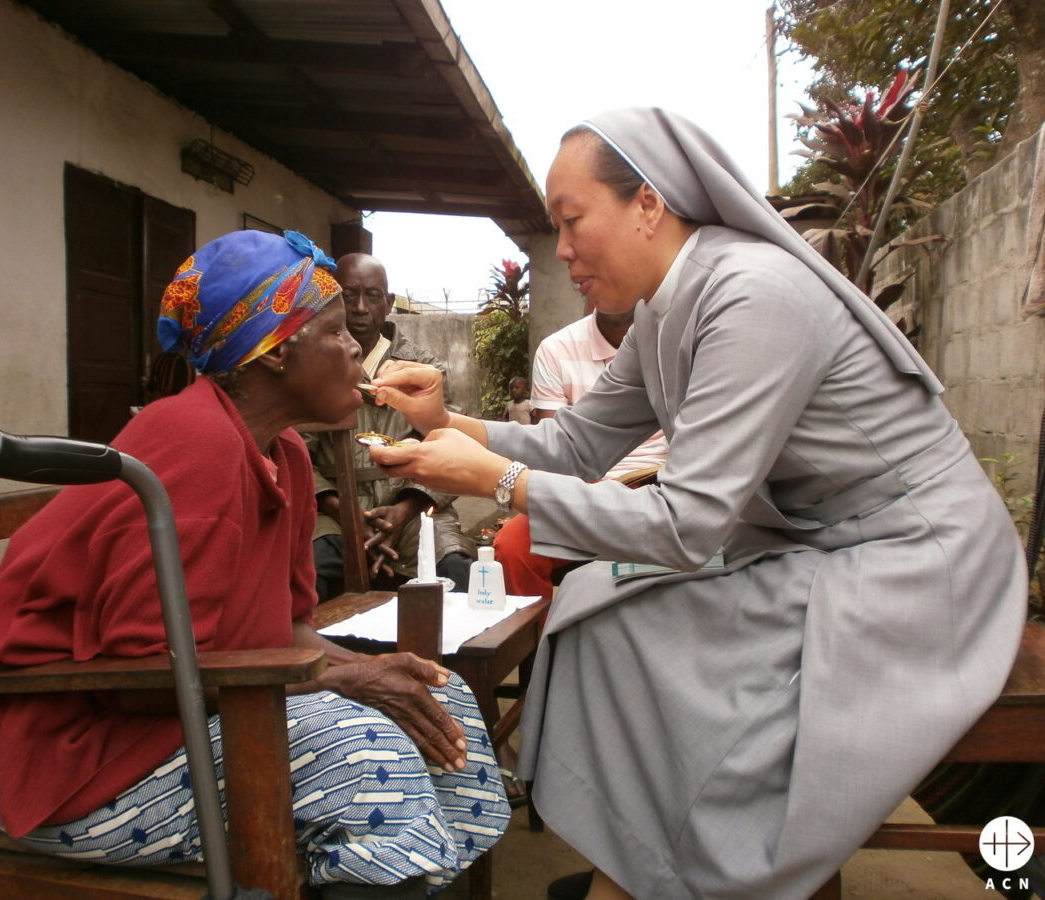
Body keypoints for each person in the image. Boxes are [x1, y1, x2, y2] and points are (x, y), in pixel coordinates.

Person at [363, 109, 1027, 899]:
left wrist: (495, 481)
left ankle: (706, 867)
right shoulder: (664, 310)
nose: (564, 251)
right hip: (820, 547)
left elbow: (686, 523)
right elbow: (578, 444)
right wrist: (447, 424)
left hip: (917, 562)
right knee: (597, 604)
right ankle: (644, 860)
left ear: (648, 203)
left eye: (573, 222)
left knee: (649, 633)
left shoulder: (754, 296)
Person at [0, 230, 509, 899]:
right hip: (63, 759)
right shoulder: (193, 442)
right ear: (275, 352)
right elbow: (143, 680)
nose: (358, 347)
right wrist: (347, 686)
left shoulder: (289, 457)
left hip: (169, 722)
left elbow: (287, 632)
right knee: (364, 750)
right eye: (335, 331)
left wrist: (364, 669)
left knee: (441, 706)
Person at [304, 252, 474, 602]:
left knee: (459, 573)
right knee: (309, 577)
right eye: (349, 296)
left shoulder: (424, 367)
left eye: (373, 296)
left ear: (389, 303)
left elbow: (450, 443)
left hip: (411, 507)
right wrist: (342, 508)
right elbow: (295, 450)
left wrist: (405, 509)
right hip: (333, 512)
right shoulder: (312, 367)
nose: (361, 308)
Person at [494, 309, 669, 600]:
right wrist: (447, 424)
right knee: (512, 547)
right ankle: (537, 642)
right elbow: (558, 449)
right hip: (584, 489)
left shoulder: (673, 337)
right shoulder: (557, 348)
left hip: (657, 486)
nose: (569, 260)